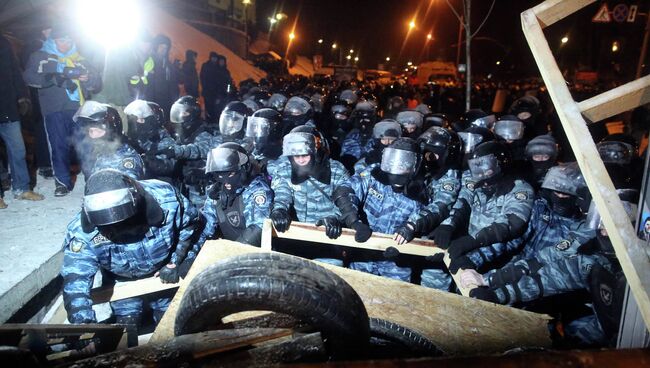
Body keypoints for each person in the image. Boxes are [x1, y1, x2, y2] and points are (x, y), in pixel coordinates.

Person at [60, 169, 199, 345]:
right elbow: (75, 277)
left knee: (172, 324)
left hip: (164, 274)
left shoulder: (167, 200)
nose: (120, 231)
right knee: (127, 327)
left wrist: (177, 261)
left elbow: (191, 225)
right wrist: (82, 324)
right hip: (120, 281)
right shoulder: (81, 233)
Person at [433, 141, 534, 275]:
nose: (483, 178)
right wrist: (449, 225)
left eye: (489, 171)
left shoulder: (520, 190)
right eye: (478, 171)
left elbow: (513, 223)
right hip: (470, 251)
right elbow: (463, 201)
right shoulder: (478, 181)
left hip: (501, 264)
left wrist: (473, 241)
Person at [333, 138, 427, 281]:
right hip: (363, 253)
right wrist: (355, 223)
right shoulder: (373, 174)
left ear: (415, 164)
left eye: (404, 165)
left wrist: (406, 243)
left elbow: (423, 222)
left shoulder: (420, 190)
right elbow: (345, 191)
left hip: (395, 263)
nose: (397, 169)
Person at [24, 24, 101, 196]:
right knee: (58, 146)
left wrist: (87, 78)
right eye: (60, 41)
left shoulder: (80, 58)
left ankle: (93, 180)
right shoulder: (40, 56)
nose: (64, 44)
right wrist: (55, 76)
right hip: (54, 108)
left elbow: (96, 83)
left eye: (68, 41)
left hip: (79, 108)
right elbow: (29, 77)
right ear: (52, 40)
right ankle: (62, 182)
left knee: (86, 145)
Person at [270, 126, 350, 264]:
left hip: (328, 240)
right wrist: (279, 210)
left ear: (316, 150)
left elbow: (347, 200)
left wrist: (336, 218)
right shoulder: (284, 170)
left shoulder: (336, 170)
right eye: (296, 155)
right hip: (295, 239)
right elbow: (282, 193)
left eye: (305, 155)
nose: (300, 160)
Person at [199, 143, 274, 246]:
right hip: (229, 252)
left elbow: (258, 227)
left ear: (243, 169)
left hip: (254, 254)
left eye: (230, 174)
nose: (226, 182)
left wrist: (232, 253)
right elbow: (205, 229)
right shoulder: (216, 193)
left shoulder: (256, 189)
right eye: (220, 175)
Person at [0, 34, 44, 205]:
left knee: (18, 150)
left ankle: (22, 188)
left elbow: (14, 70)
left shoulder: (2, 42)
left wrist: (22, 96)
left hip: (7, 107)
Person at [161, 96, 217, 207]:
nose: (180, 116)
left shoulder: (204, 132)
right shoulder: (182, 134)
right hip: (184, 186)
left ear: (193, 113)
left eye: (184, 113)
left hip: (201, 190)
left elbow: (200, 149)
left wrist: (178, 151)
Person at [73, 101, 144, 179]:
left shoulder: (127, 156)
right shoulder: (97, 153)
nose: (93, 135)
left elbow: (130, 183)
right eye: (91, 131)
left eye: (98, 131)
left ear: (112, 131)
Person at [123, 100, 176, 180]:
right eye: (134, 120)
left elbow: (170, 166)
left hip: (160, 187)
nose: (137, 124)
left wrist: (149, 162)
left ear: (153, 121)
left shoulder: (165, 140)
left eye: (141, 120)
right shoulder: (132, 140)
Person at [245, 107, 284, 178]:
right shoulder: (249, 150)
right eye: (254, 126)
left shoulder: (280, 158)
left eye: (261, 127)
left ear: (274, 130)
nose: (255, 130)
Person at [149, 34, 180, 116]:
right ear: (156, 47)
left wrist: (174, 100)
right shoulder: (149, 62)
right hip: (153, 102)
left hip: (166, 102)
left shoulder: (168, 65)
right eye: (161, 47)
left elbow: (173, 83)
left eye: (165, 48)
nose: (163, 50)